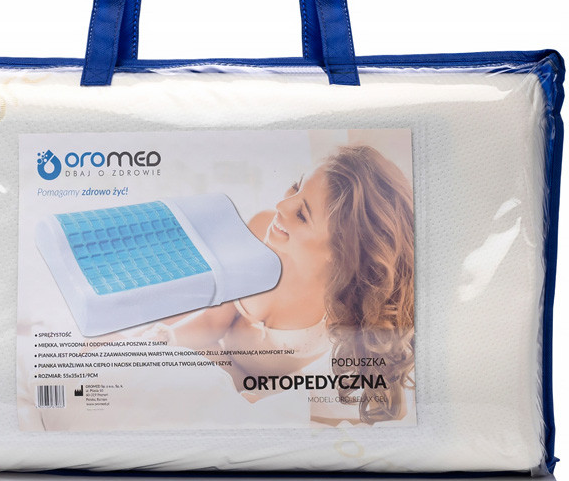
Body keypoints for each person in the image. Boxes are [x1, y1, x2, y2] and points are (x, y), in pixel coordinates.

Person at [156, 144, 416, 425]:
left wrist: (248, 396)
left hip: (253, 394)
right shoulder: (261, 230)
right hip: (208, 353)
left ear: (340, 250)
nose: (281, 206)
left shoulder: (342, 313)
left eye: (302, 215)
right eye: (296, 187)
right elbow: (213, 321)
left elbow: (387, 409)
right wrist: (164, 340)